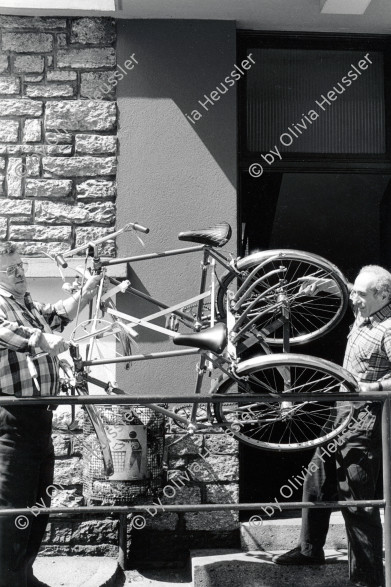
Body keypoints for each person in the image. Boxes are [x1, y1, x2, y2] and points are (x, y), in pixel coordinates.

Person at [273, 264, 391, 587]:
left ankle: (367, 580)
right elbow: (350, 287)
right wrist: (323, 284)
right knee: (317, 474)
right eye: (354, 294)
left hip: (365, 416)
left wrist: (375, 388)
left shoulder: (388, 328)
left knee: (355, 497)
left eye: (361, 296)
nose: (354, 300)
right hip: (340, 411)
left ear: (383, 296)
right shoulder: (368, 306)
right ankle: (310, 549)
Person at [0, 242, 102, 587]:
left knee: (39, 500)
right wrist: (42, 338)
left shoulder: (25, 302)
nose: (20, 274)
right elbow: (11, 334)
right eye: (11, 269)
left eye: (20, 266)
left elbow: (57, 313)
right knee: (11, 506)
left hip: (39, 418)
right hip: (12, 418)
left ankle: (25, 576)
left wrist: (86, 294)